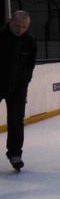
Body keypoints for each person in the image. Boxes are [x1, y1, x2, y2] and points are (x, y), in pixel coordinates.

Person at [0, 11, 37, 171]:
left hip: (18, 87)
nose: (20, 29)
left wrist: (24, 83)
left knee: (16, 122)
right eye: (17, 25)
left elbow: (30, 66)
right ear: (10, 21)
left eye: (24, 26)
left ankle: (15, 154)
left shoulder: (30, 42)